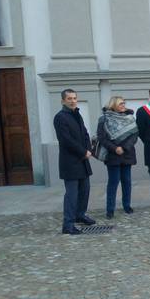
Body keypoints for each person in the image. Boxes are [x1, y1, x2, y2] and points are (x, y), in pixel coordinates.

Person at [54, 89, 95, 234]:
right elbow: (65, 140)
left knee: (85, 190)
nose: (72, 101)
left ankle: (80, 215)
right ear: (63, 101)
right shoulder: (60, 117)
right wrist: (83, 152)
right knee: (72, 195)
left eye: (74, 98)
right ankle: (68, 224)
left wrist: (89, 149)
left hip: (83, 160)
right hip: (70, 162)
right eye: (69, 98)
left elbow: (85, 134)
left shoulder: (77, 114)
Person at [97, 96, 138, 218]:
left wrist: (124, 148)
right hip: (112, 154)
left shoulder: (130, 118)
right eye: (120, 103)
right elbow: (102, 137)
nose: (123, 105)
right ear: (113, 105)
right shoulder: (104, 119)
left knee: (127, 181)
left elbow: (134, 135)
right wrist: (115, 148)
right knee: (113, 182)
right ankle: (110, 209)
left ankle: (127, 206)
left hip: (127, 153)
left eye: (124, 103)